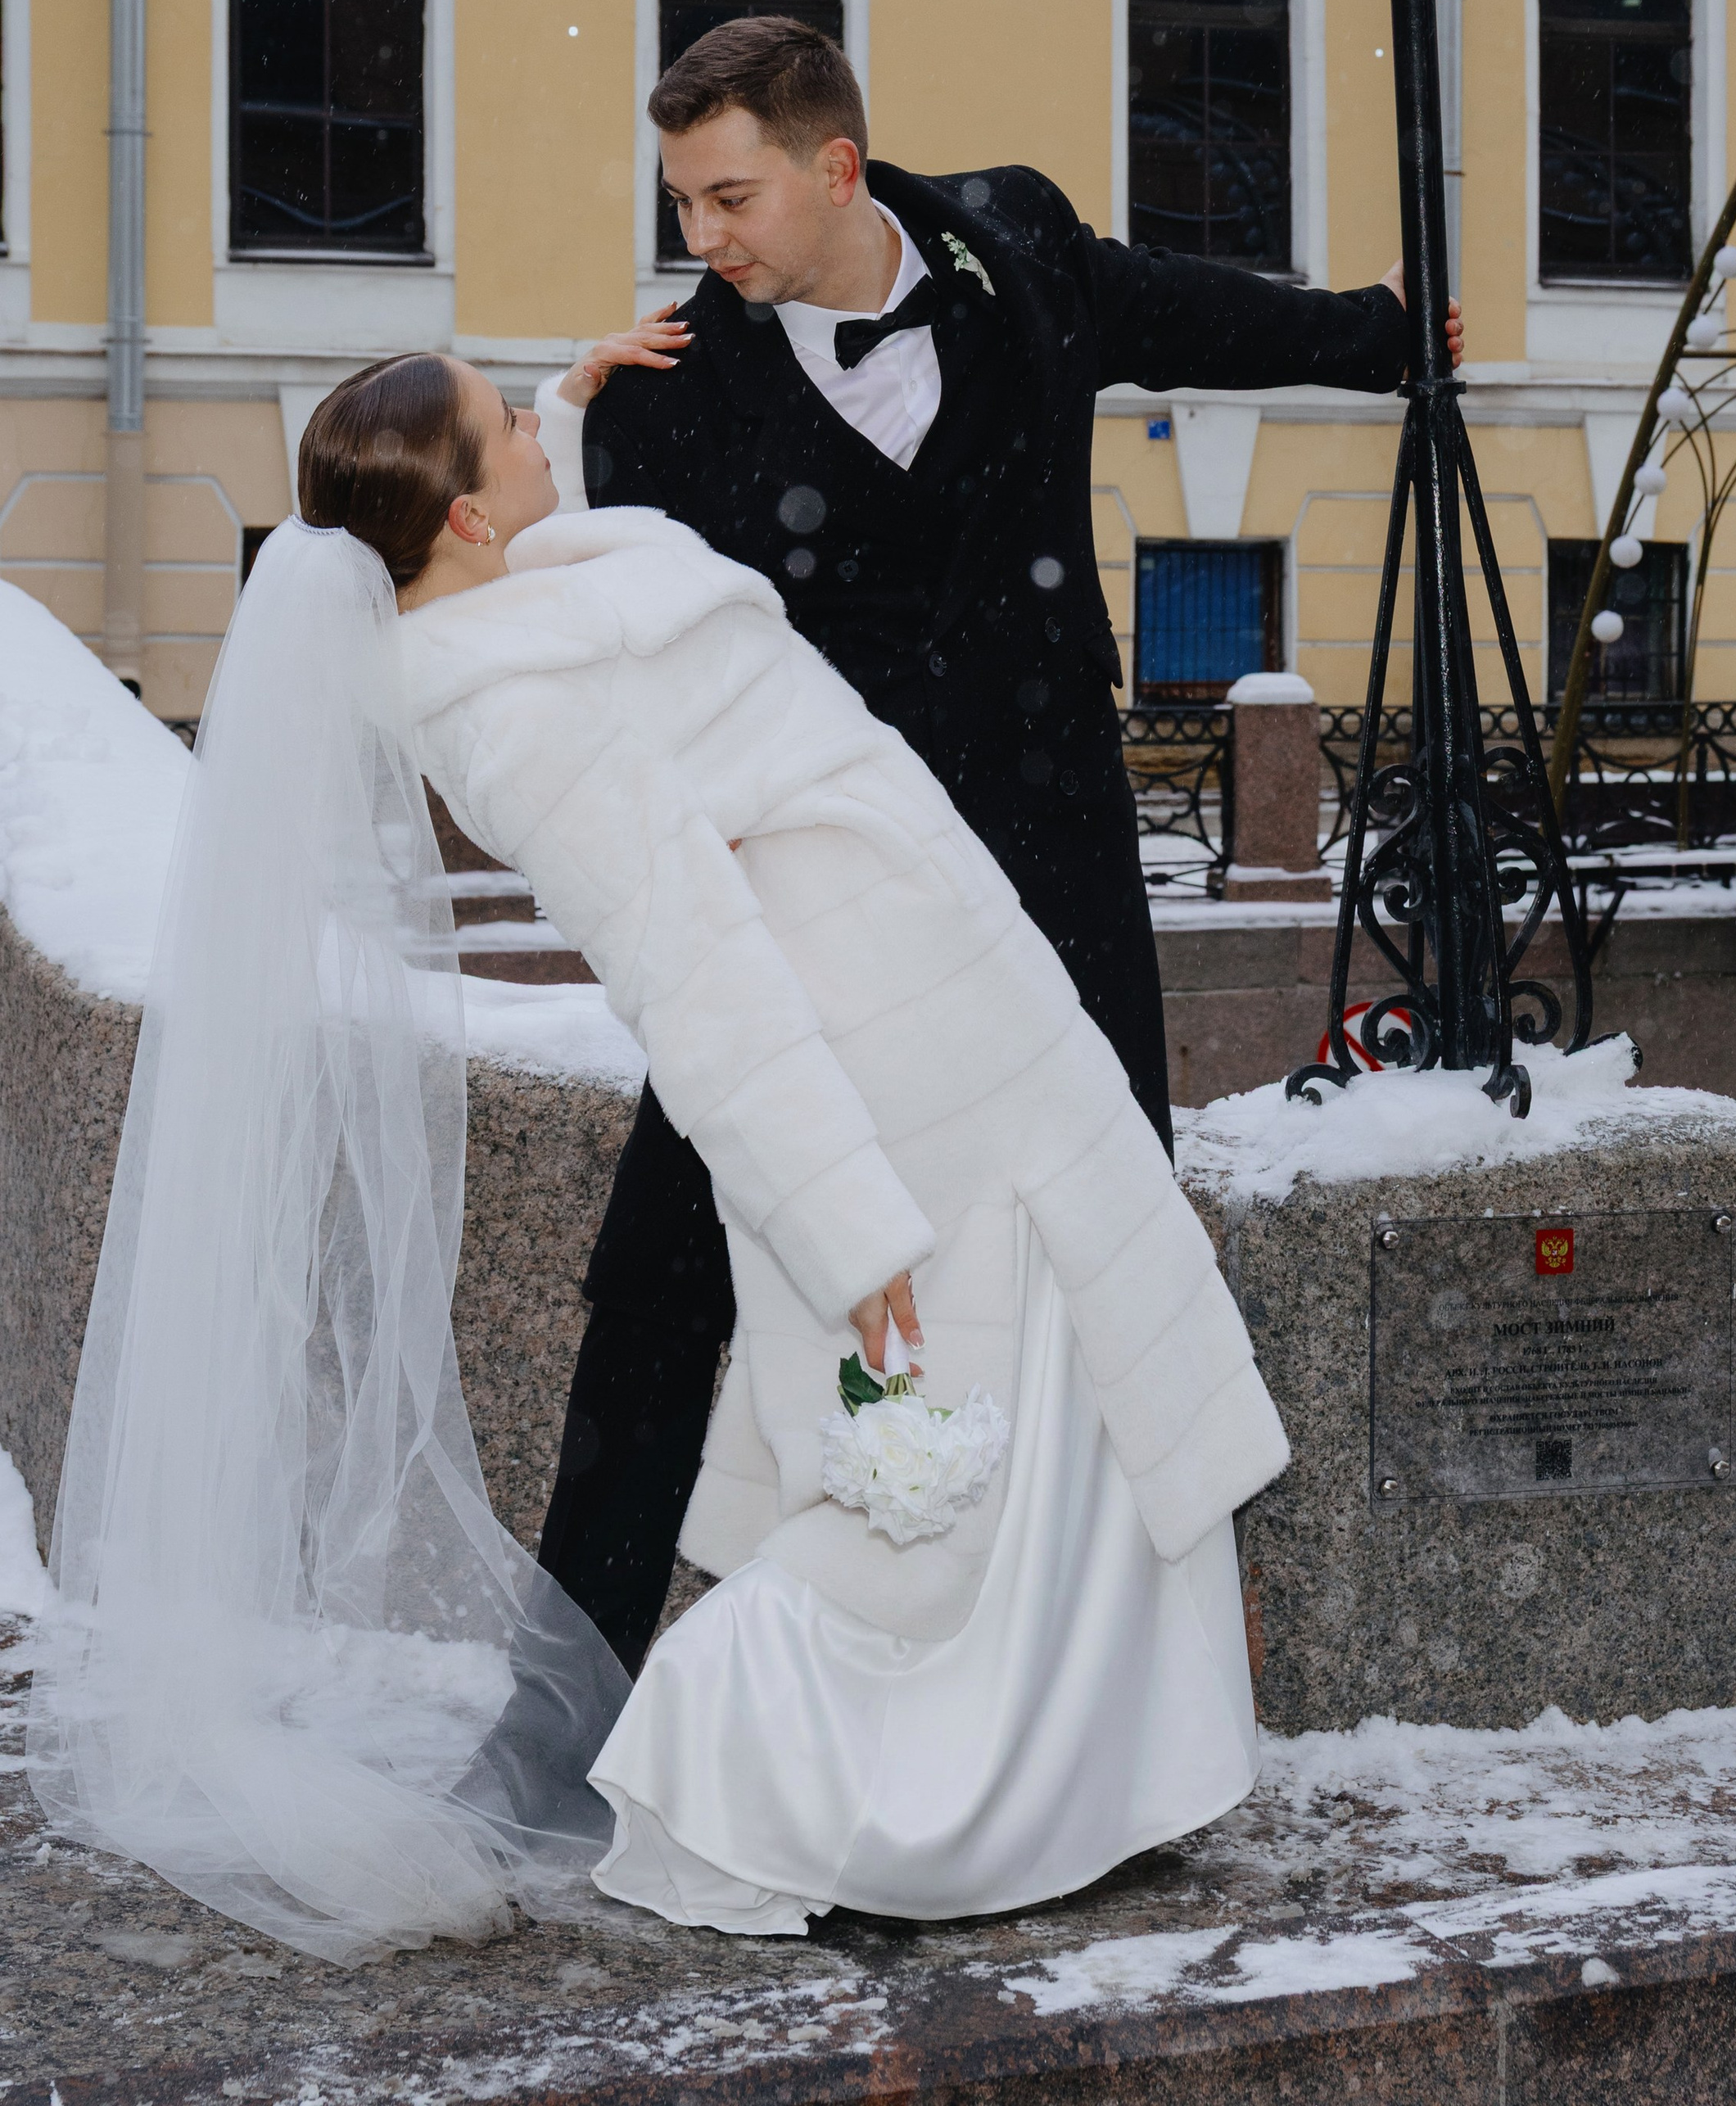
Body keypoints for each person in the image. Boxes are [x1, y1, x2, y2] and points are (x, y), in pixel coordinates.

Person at [34, 351, 1286, 1950]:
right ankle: (743, 1788)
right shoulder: (509, 705)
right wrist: (840, 1218)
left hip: (945, 1017)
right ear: (468, 514)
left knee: (1063, 1402)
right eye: (502, 419)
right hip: (870, 1067)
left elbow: (585, 607)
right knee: (934, 1476)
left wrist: (562, 405)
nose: (529, 414)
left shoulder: (505, 597)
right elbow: (695, 974)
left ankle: (1087, 1781)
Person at [531, 16, 1457, 1674]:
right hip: (816, 873)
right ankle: (562, 1696)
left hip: (1045, 836)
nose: (702, 236)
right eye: (681, 201)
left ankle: (1102, 1677)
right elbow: (625, 669)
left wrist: (1376, 332)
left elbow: (1180, 309)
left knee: (1108, 1208)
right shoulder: (665, 398)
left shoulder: (1011, 236)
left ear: (833, 165)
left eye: (728, 194)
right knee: (673, 1252)